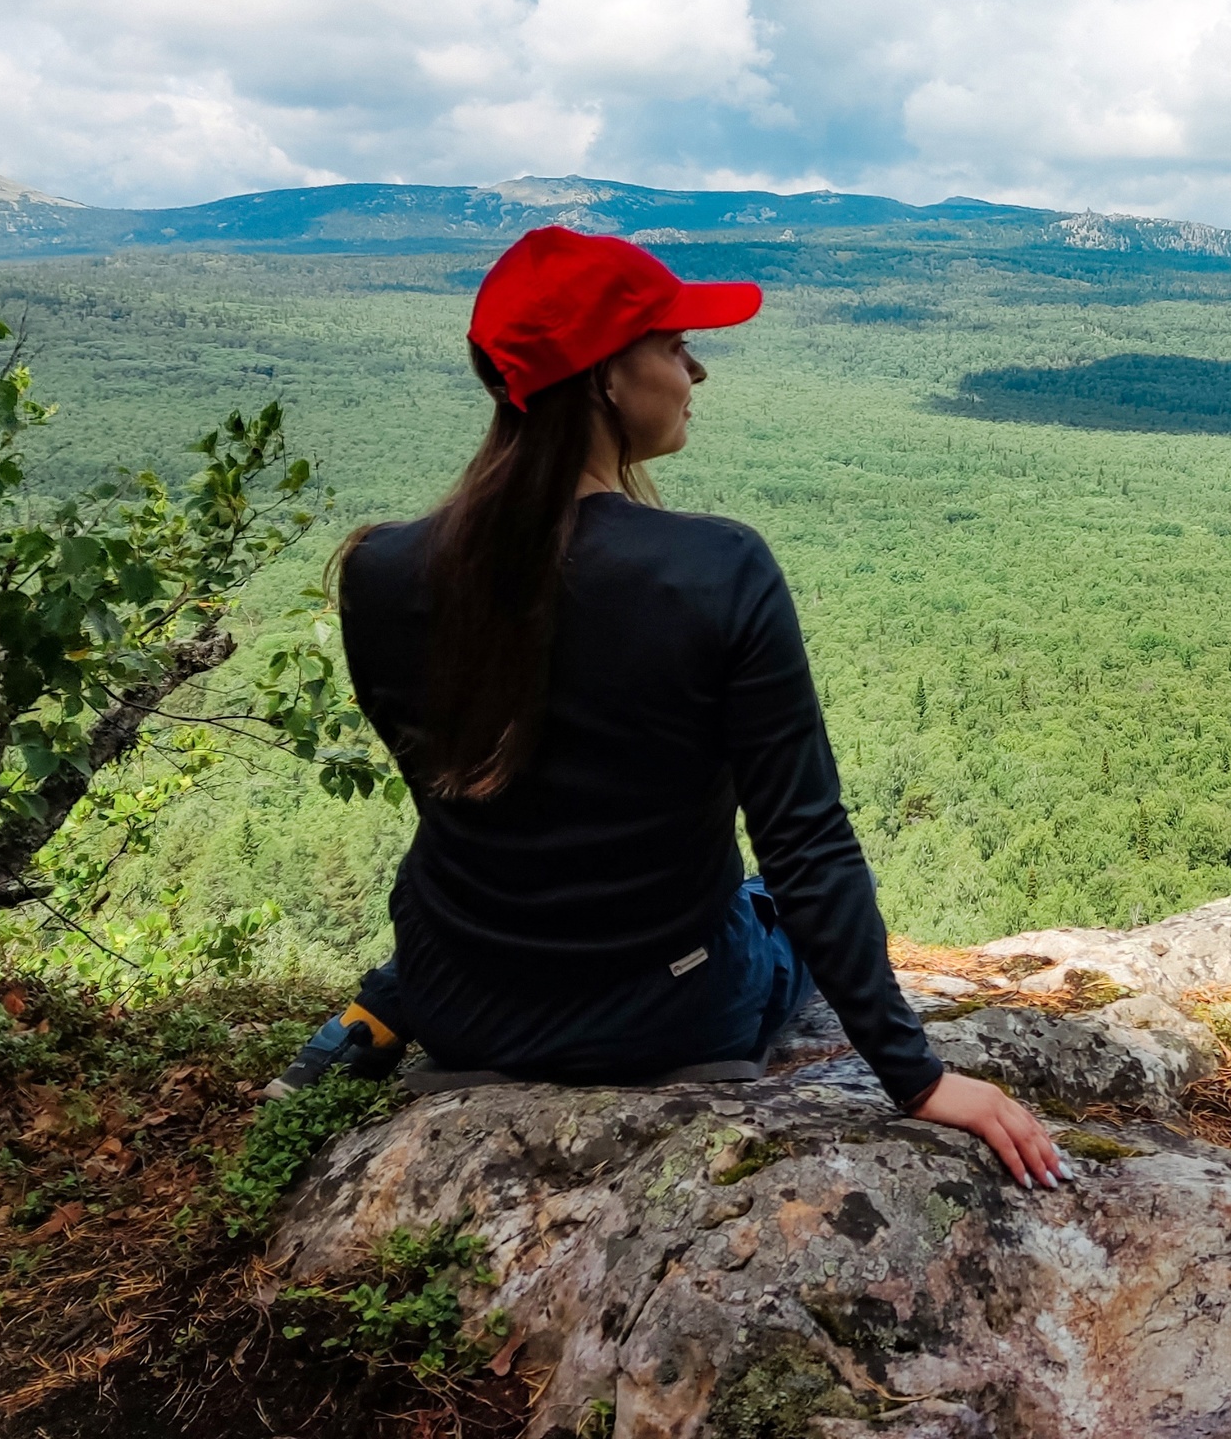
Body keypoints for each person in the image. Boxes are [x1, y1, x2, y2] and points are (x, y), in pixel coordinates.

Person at [264, 225, 1064, 1190]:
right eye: (675, 344)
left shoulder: (382, 571)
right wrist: (918, 1077)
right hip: (670, 1012)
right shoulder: (717, 569)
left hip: (457, 995)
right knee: (762, 905)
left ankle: (381, 1006)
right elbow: (805, 846)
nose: (696, 370)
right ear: (607, 376)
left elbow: (482, 813)